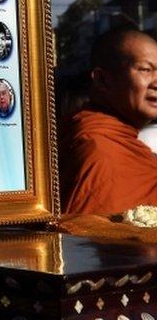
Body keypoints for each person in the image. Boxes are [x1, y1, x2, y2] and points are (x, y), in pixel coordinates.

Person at [60, 29, 157, 214]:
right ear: (103, 80)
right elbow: (91, 234)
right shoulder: (98, 148)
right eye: (145, 69)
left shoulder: (127, 144)